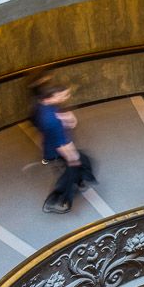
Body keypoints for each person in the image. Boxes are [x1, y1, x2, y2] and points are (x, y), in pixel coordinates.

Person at [32, 84, 92, 213]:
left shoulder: (41, 106)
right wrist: (72, 157)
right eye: (62, 95)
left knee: (85, 161)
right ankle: (55, 202)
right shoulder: (51, 120)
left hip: (51, 146)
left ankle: (80, 179)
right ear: (50, 98)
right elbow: (61, 144)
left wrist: (65, 118)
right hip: (59, 150)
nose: (66, 97)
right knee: (71, 172)